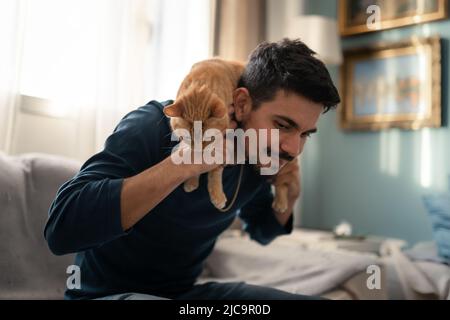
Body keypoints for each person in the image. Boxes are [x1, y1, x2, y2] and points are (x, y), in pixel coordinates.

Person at [44, 38, 340, 300]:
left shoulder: (257, 156)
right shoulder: (154, 124)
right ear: (242, 102)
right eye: (282, 125)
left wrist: (289, 197)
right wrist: (181, 164)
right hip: (103, 294)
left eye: (304, 134)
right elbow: (61, 229)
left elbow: (262, 231)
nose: (294, 149)